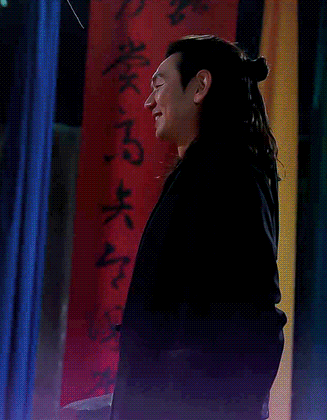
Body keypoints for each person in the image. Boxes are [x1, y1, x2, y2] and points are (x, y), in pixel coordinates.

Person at [110, 35, 287, 419]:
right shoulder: (199, 171)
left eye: (159, 85)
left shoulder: (230, 174)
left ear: (200, 86)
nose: (149, 101)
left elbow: (254, 314)